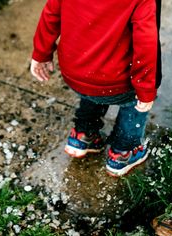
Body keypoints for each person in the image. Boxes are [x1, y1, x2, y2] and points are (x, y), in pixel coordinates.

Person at [30, 0, 162, 177]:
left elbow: (51, 14)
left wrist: (41, 53)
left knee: (93, 88)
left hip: (75, 73)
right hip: (117, 81)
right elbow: (145, 41)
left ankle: (83, 134)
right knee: (133, 103)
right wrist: (146, 89)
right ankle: (123, 151)